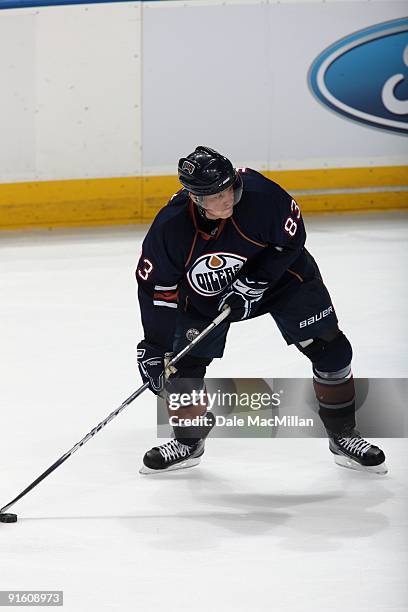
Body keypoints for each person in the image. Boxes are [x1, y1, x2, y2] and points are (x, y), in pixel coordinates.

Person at [136, 146, 387, 475]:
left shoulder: (261, 195)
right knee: (181, 367)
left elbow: (293, 240)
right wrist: (155, 346)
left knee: (331, 348)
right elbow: (158, 289)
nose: (227, 199)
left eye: (229, 189)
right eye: (215, 195)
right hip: (205, 294)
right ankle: (188, 440)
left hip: (281, 278)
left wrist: (257, 280)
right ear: (195, 197)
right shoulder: (170, 229)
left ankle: (343, 434)